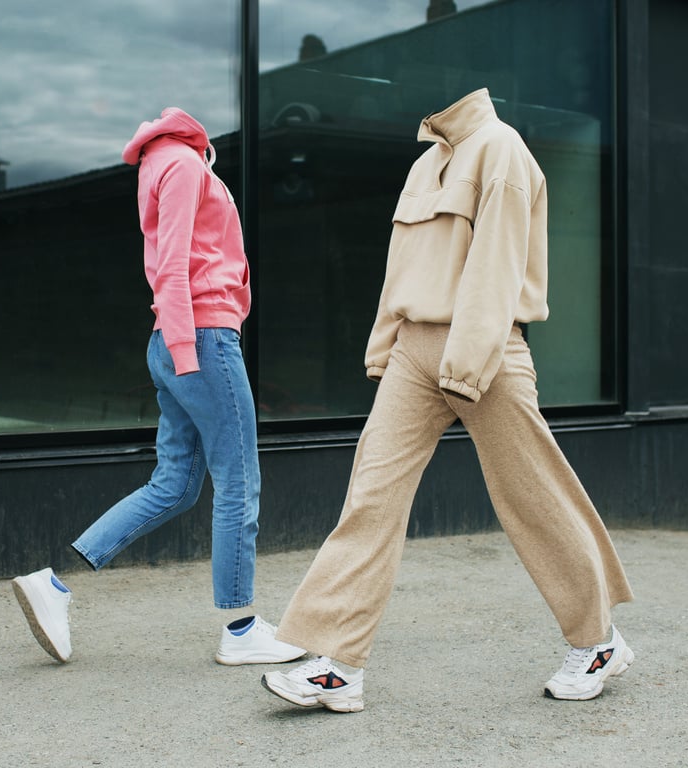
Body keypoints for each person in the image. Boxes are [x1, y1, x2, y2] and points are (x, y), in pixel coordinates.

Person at [260, 88, 635, 712]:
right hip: (414, 350)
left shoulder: (501, 148)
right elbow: (399, 267)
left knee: (532, 497)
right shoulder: (423, 162)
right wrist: (385, 346)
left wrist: (466, 362)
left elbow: (497, 264)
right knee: (371, 497)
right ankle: (337, 665)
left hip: (486, 351)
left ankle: (597, 641)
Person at [12, 108, 305, 668]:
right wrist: (188, 351)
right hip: (200, 337)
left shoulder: (158, 164)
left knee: (174, 485)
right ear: (190, 131)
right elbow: (170, 266)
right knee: (239, 482)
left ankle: (54, 587)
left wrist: (176, 344)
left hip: (179, 338)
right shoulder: (184, 164)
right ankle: (242, 630)